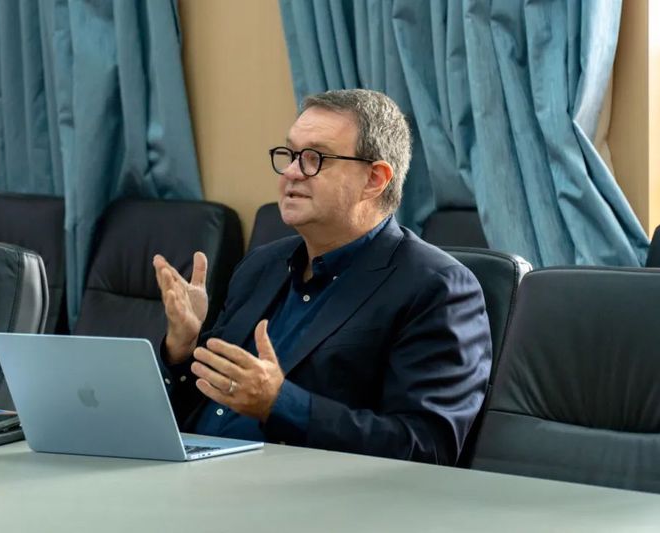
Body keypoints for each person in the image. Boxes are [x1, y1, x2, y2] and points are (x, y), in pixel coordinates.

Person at [153, 89, 491, 464]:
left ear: (375, 179)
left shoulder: (437, 287)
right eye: (290, 155)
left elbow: (427, 449)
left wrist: (279, 404)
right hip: (189, 471)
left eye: (315, 158)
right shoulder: (260, 267)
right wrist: (182, 349)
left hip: (298, 489)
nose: (291, 173)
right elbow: (206, 403)